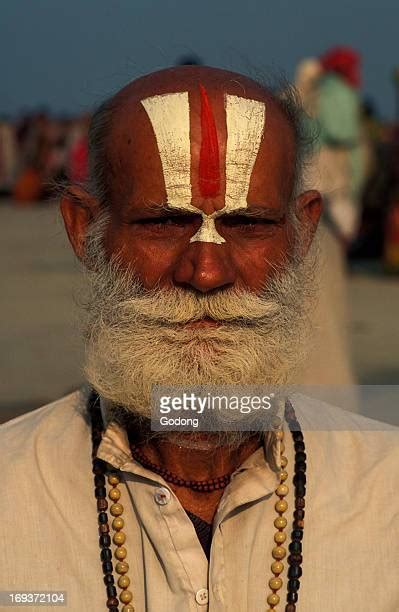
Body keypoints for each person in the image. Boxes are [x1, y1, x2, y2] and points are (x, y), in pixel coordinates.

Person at [1, 66, 398, 612]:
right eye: (163, 224)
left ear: (303, 232)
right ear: (84, 231)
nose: (206, 271)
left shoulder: (387, 491)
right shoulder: (11, 492)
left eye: (248, 224)